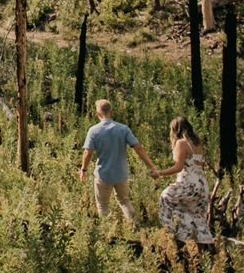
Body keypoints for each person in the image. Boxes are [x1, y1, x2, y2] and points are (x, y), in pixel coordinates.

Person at [80, 99, 158, 225]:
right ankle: (134, 226)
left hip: (103, 175)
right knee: (124, 201)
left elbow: (87, 153)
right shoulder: (123, 129)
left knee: (103, 205)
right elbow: (138, 147)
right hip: (121, 174)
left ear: (98, 114)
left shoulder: (93, 130)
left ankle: (107, 231)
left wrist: (83, 170)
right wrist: (151, 165)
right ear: (111, 113)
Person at [155, 116, 215, 245]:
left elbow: (178, 167)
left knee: (166, 198)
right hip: (202, 184)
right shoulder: (197, 144)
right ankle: (201, 244)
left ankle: (169, 233)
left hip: (189, 183)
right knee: (195, 213)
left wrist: (159, 173)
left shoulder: (181, 143)